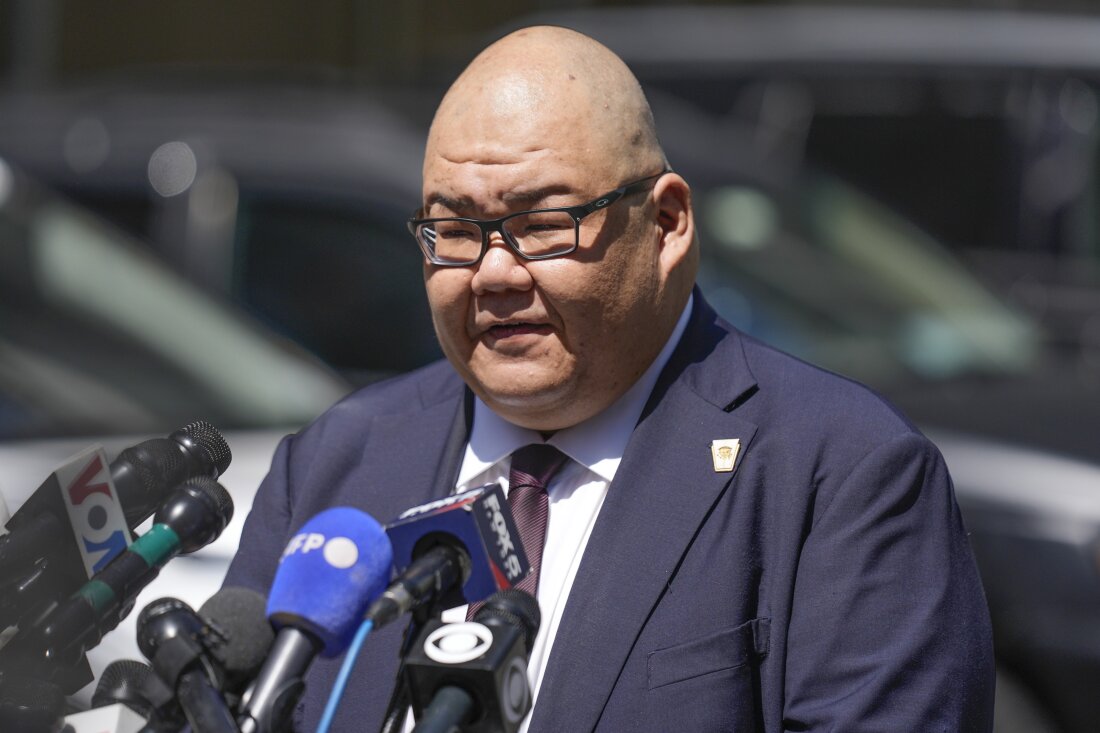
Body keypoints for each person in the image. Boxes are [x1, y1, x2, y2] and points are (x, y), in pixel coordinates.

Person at [224, 25, 995, 732]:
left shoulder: (842, 475)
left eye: (541, 225)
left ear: (666, 225)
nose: (492, 272)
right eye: (454, 231)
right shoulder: (337, 465)